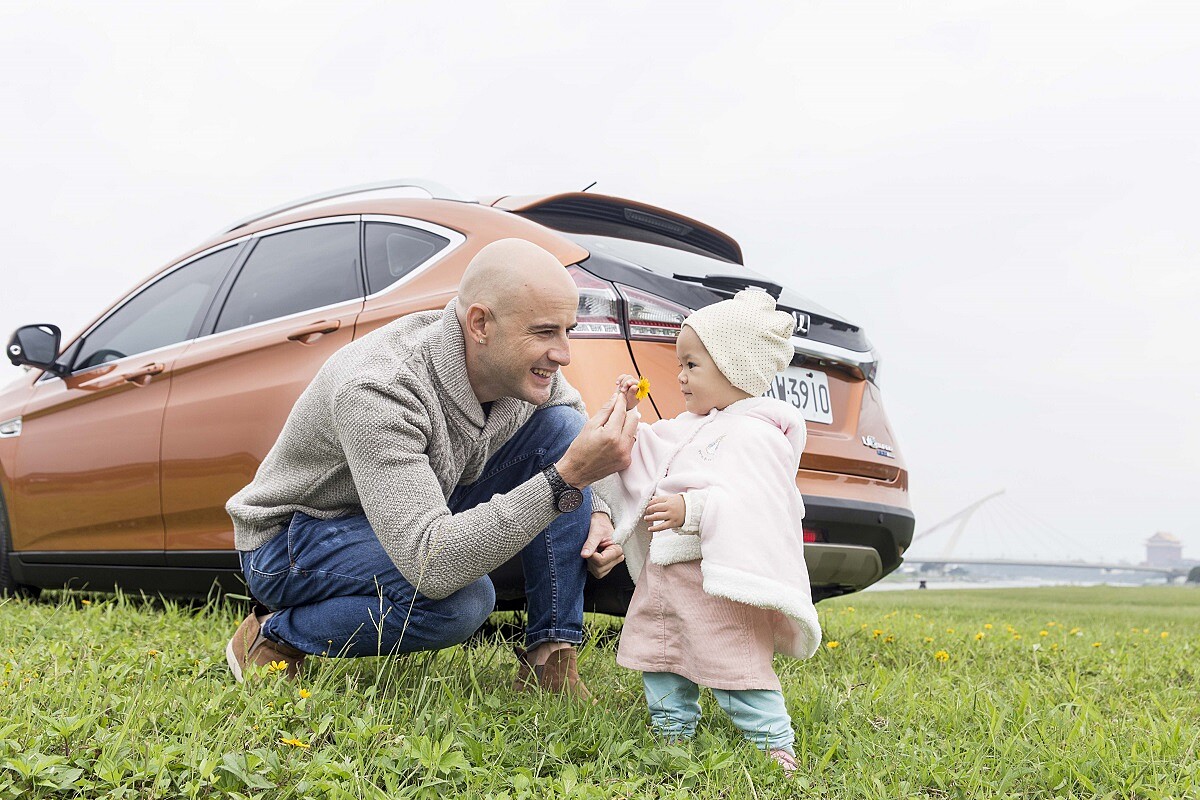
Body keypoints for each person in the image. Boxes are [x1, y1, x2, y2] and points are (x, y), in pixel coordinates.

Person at [224, 238, 636, 700]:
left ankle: (550, 660)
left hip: (414, 509)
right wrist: (567, 479)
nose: (563, 354)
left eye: (567, 331)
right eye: (544, 333)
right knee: (462, 601)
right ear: (480, 323)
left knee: (563, 426)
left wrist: (597, 509)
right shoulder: (379, 388)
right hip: (297, 538)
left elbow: (571, 429)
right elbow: (434, 563)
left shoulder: (514, 366)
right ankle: (275, 634)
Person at [607, 288, 822, 774]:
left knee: (735, 665)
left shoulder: (756, 435)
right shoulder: (691, 426)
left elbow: (762, 506)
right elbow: (641, 453)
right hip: (667, 577)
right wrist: (624, 411)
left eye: (691, 365)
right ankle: (671, 735)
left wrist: (694, 509)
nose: (679, 376)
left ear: (733, 367)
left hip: (717, 584)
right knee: (662, 658)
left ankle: (774, 746)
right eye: (680, 364)